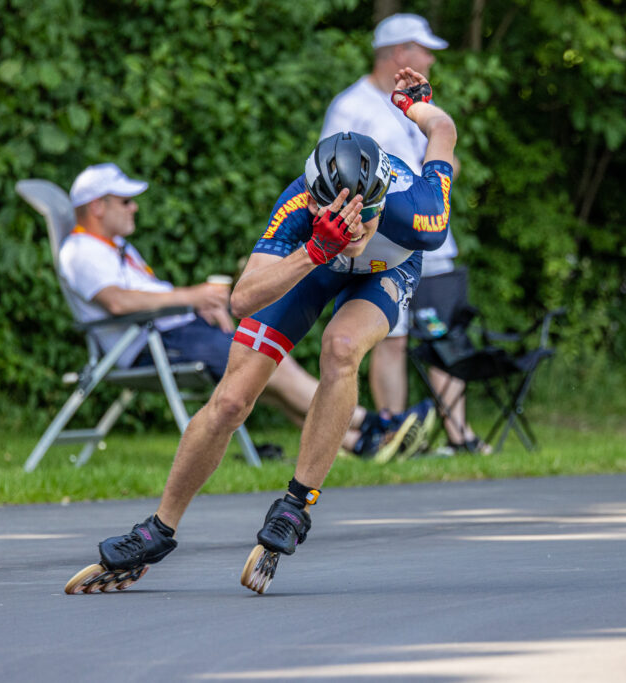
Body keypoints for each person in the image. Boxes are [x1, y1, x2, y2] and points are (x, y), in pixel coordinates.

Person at [65, 67, 456, 595]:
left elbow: (443, 131)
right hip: (314, 259)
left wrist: (415, 106)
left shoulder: (422, 214)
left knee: (341, 348)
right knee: (230, 401)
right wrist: (315, 249)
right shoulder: (297, 206)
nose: (350, 226)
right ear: (313, 200)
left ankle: (297, 504)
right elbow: (243, 298)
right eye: (334, 214)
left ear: (380, 202)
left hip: (386, 271)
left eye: (361, 217)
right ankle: (158, 530)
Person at [59, 162, 426, 461]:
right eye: (125, 201)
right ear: (97, 207)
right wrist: (194, 297)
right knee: (266, 362)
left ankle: (355, 444)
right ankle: (372, 423)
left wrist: (197, 305)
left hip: (175, 333)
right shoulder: (82, 251)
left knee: (265, 379)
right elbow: (118, 303)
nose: (134, 207)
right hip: (150, 342)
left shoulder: (115, 247)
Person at [320, 13, 490, 454]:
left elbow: (444, 162)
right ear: (400, 53)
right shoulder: (351, 105)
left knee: (444, 335)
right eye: (424, 50)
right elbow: (331, 171)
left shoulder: (413, 104)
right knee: (391, 339)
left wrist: (438, 171)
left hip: (433, 238)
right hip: (381, 242)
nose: (431, 59)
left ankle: (459, 435)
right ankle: (395, 432)